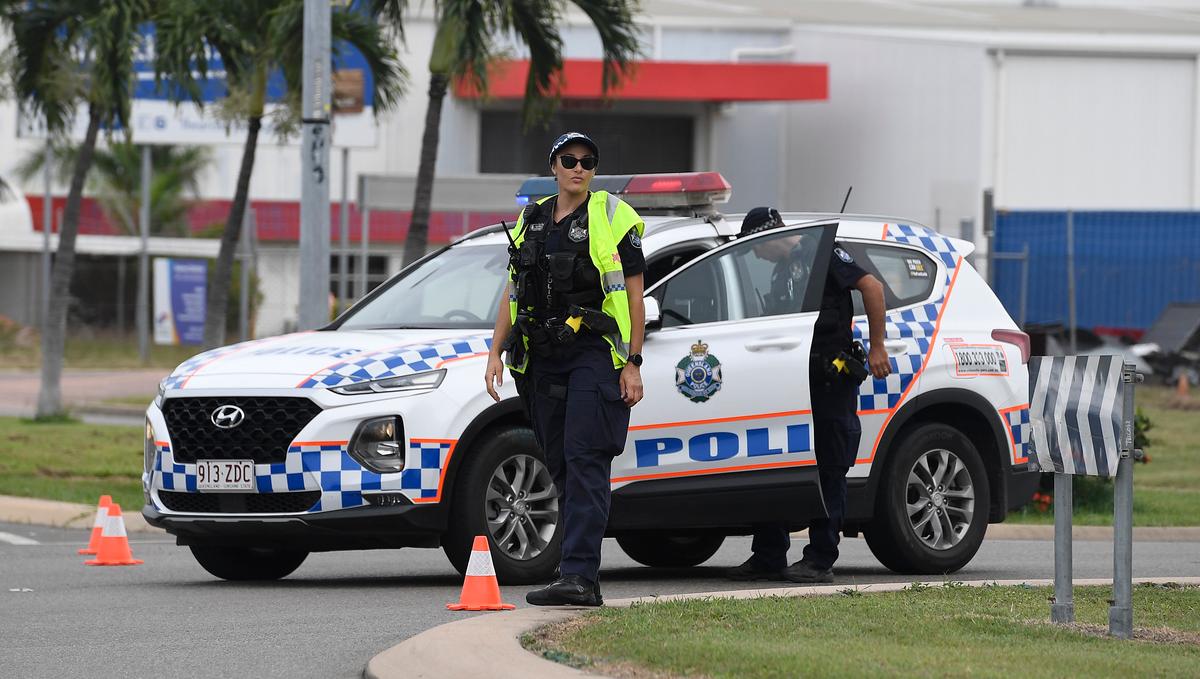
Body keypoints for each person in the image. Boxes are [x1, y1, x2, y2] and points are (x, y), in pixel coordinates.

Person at [484, 132, 646, 606]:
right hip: (542, 358)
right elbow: (513, 293)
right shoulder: (530, 220)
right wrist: (495, 352)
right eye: (570, 160)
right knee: (559, 463)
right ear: (553, 165)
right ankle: (569, 572)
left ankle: (581, 577)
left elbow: (634, 298)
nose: (579, 168)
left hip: (594, 354)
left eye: (588, 161)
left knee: (585, 459)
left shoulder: (614, 216)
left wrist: (633, 362)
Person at [726, 207, 891, 583]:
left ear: (769, 236)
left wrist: (878, 346)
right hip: (793, 382)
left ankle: (820, 559)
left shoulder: (823, 253)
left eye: (755, 247)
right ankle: (769, 554)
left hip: (830, 380)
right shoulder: (782, 271)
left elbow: (872, 286)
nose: (755, 255)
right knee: (778, 461)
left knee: (830, 467)